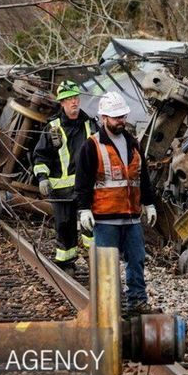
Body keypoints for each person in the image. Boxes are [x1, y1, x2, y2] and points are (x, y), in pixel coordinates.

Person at [74, 91, 157, 313]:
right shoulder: (92, 146)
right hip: (105, 217)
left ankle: (137, 302)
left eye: (122, 116)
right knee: (106, 266)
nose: (120, 120)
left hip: (131, 217)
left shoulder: (133, 144)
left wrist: (149, 203)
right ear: (104, 118)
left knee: (137, 260)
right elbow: (82, 181)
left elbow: (143, 177)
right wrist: (83, 210)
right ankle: (107, 307)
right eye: (116, 117)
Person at [32, 80, 97, 275]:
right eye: (68, 99)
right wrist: (42, 177)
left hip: (87, 188)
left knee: (92, 226)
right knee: (64, 227)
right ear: (62, 103)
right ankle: (66, 265)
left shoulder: (90, 124)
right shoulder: (53, 128)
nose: (74, 102)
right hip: (61, 191)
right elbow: (41, 155)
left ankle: (96, 261)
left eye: (76, 98)